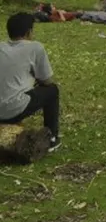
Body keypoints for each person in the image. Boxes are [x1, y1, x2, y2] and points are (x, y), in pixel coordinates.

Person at [0, 12, 61, 152]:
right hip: (11, 110)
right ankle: (52, 138)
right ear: (29, 32)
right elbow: (46, 80)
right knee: (52, 90)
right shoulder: (35, 47)